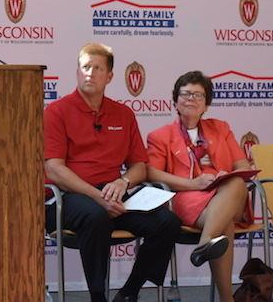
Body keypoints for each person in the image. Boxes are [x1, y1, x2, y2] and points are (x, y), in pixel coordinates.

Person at [44, 43, 181, 302]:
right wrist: (98, 198)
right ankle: (98, 297)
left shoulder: (123, 114)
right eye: (85, 67)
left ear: (109, 77)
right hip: (67, 198)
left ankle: (129, 293)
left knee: (167, 222)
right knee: (96, 216)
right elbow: (54, 169)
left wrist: (123, 181)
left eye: (97, 68)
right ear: (76, 72)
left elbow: (139, 165)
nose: (90, 73)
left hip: (112, 195)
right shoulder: (56, 111)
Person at [146, 70, 253, 302]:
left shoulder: (221, 128)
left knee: (235, 182)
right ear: (175, 101)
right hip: (188, 196)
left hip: (227, 195)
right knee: (223, 228)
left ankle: (204, 244)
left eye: (198, 95)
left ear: (206, 105)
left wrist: (226, 175)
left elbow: (242, 164)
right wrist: (191, 183)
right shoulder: (160, 136)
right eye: (184, 94)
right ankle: (227, 298)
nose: (190, 99)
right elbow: (151, 173)